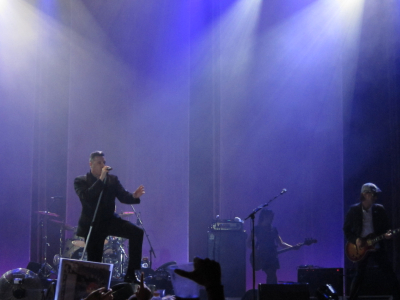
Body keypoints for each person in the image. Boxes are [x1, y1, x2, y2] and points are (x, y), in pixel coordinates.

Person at [75, 151, 145, 284]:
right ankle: (96, 286)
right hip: (92, 224)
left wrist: (134, 197)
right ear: (91, 164)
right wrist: (101, 179)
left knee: (137, 232)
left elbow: (123, 196)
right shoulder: (81, 181)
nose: (103, 165)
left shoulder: (112, 180)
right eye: (99, 163)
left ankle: (131, 273)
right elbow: (87, 197)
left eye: (104, 163)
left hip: (109, 220)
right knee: (95, 262)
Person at [343, 183, 400, 300]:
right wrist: (356, 240)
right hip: (361, 247)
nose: (375, 197)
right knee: (359, 275)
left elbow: (386, 228)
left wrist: (388, 235)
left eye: (376, 195)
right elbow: (346, 229)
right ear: (365, 194)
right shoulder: (354, 210)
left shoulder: (379, 209)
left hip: (377, 245)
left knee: (389, 273)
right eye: (373, 194)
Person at [246, 208, 296, 284]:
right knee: (271, 274)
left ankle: (270, 292)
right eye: (271, 217)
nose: (272, 219)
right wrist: (255, 250)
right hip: (263, 256)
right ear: (265, 217)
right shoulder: (257, 229)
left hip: (272, 256)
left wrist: (293, 247)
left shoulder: (273, 229)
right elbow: (248, 242)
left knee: (272, 275)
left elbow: (281, 243)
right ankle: (270, 292)